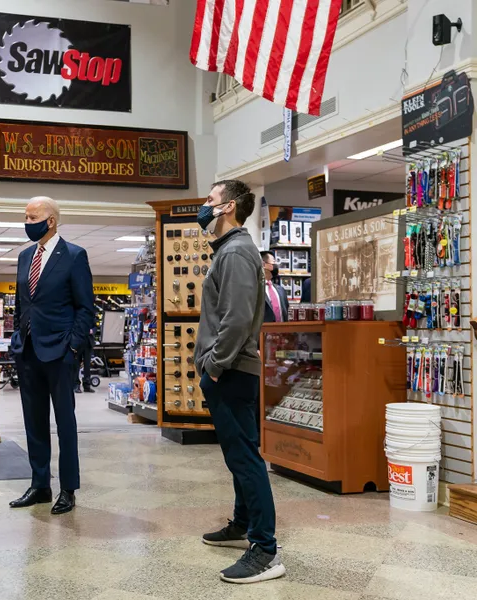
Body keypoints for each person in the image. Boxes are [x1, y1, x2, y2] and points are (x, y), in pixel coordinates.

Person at [194, 181, 285, 584]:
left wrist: (214, 366)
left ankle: (265, 549)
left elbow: (234, 319)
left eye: (210, 201)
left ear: (227, 207)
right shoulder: (232, 250)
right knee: (238, 455)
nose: (204, 206)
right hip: (229, 368)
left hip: (230, 370)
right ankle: (243, 524)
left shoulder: (234, 252)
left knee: (246, 459)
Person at [9, 196, 93, 515]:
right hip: (28, 350)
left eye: (32, 217)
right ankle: (40, 484)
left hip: (60, 351)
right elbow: (23, 303)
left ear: (51, 220)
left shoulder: (74, 256)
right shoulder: (24, 257)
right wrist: (19, 335)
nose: (27, 222)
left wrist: (73, 346)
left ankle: (68, 488)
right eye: (26, 216)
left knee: (65, 422)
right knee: (33, 421)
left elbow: (86, 308)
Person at [260, 251, 288, 323]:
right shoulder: (254, 290)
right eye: (273, 262)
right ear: (264, 265)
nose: (276, 265)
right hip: (264, 332)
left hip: (282, 332)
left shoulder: (281, 290)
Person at [74, 328, 95, 394]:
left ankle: (87, 385)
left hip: (88, 343)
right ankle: (76, 385)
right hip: (78, 342)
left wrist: (93, 330)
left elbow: (95, 326)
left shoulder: (91, 317)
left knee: (87, 365)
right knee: (76, 365)